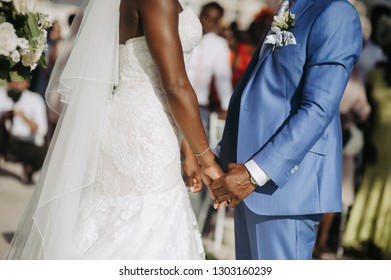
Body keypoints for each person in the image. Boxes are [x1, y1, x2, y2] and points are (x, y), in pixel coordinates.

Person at [4, 0, 223, 260]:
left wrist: (187, 146)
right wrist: (206, 158)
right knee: (144, 227)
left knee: (111, 221)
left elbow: (174, 71)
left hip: (140, 121)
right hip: (144, 132)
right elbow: (174, 84)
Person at [210, 0, 362, 260]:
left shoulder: (336, 12)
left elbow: (318, 109)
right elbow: (258, 91)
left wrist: (254, 174)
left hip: (284, 189)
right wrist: (221, 155)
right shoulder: (291, 7)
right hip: (247, 180)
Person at [343, 5, 391, 259]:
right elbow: (366, 110)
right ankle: (363, 238)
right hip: (378, 139)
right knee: (369, 186)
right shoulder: (374, 73)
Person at [187, 2, 233, 129]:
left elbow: (223, 77)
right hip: (174, 99)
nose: (208, 22)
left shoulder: (219, 45)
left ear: (218, 22)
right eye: (206, 17)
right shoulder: (186, 36)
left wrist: (226, 106)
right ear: (200, 15)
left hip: (199, 105)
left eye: (213, 20)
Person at [0, 80, 48, 184]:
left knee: (43, 153)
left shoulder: (35, 100)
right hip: (6, 138)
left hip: (25, 143)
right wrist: (4, 117)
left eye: (19, 82)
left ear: (27, 83)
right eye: (13, 81)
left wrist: (24, 118)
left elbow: (41, 130)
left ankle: (28, 170)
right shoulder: (2, 94)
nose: (16, 85)